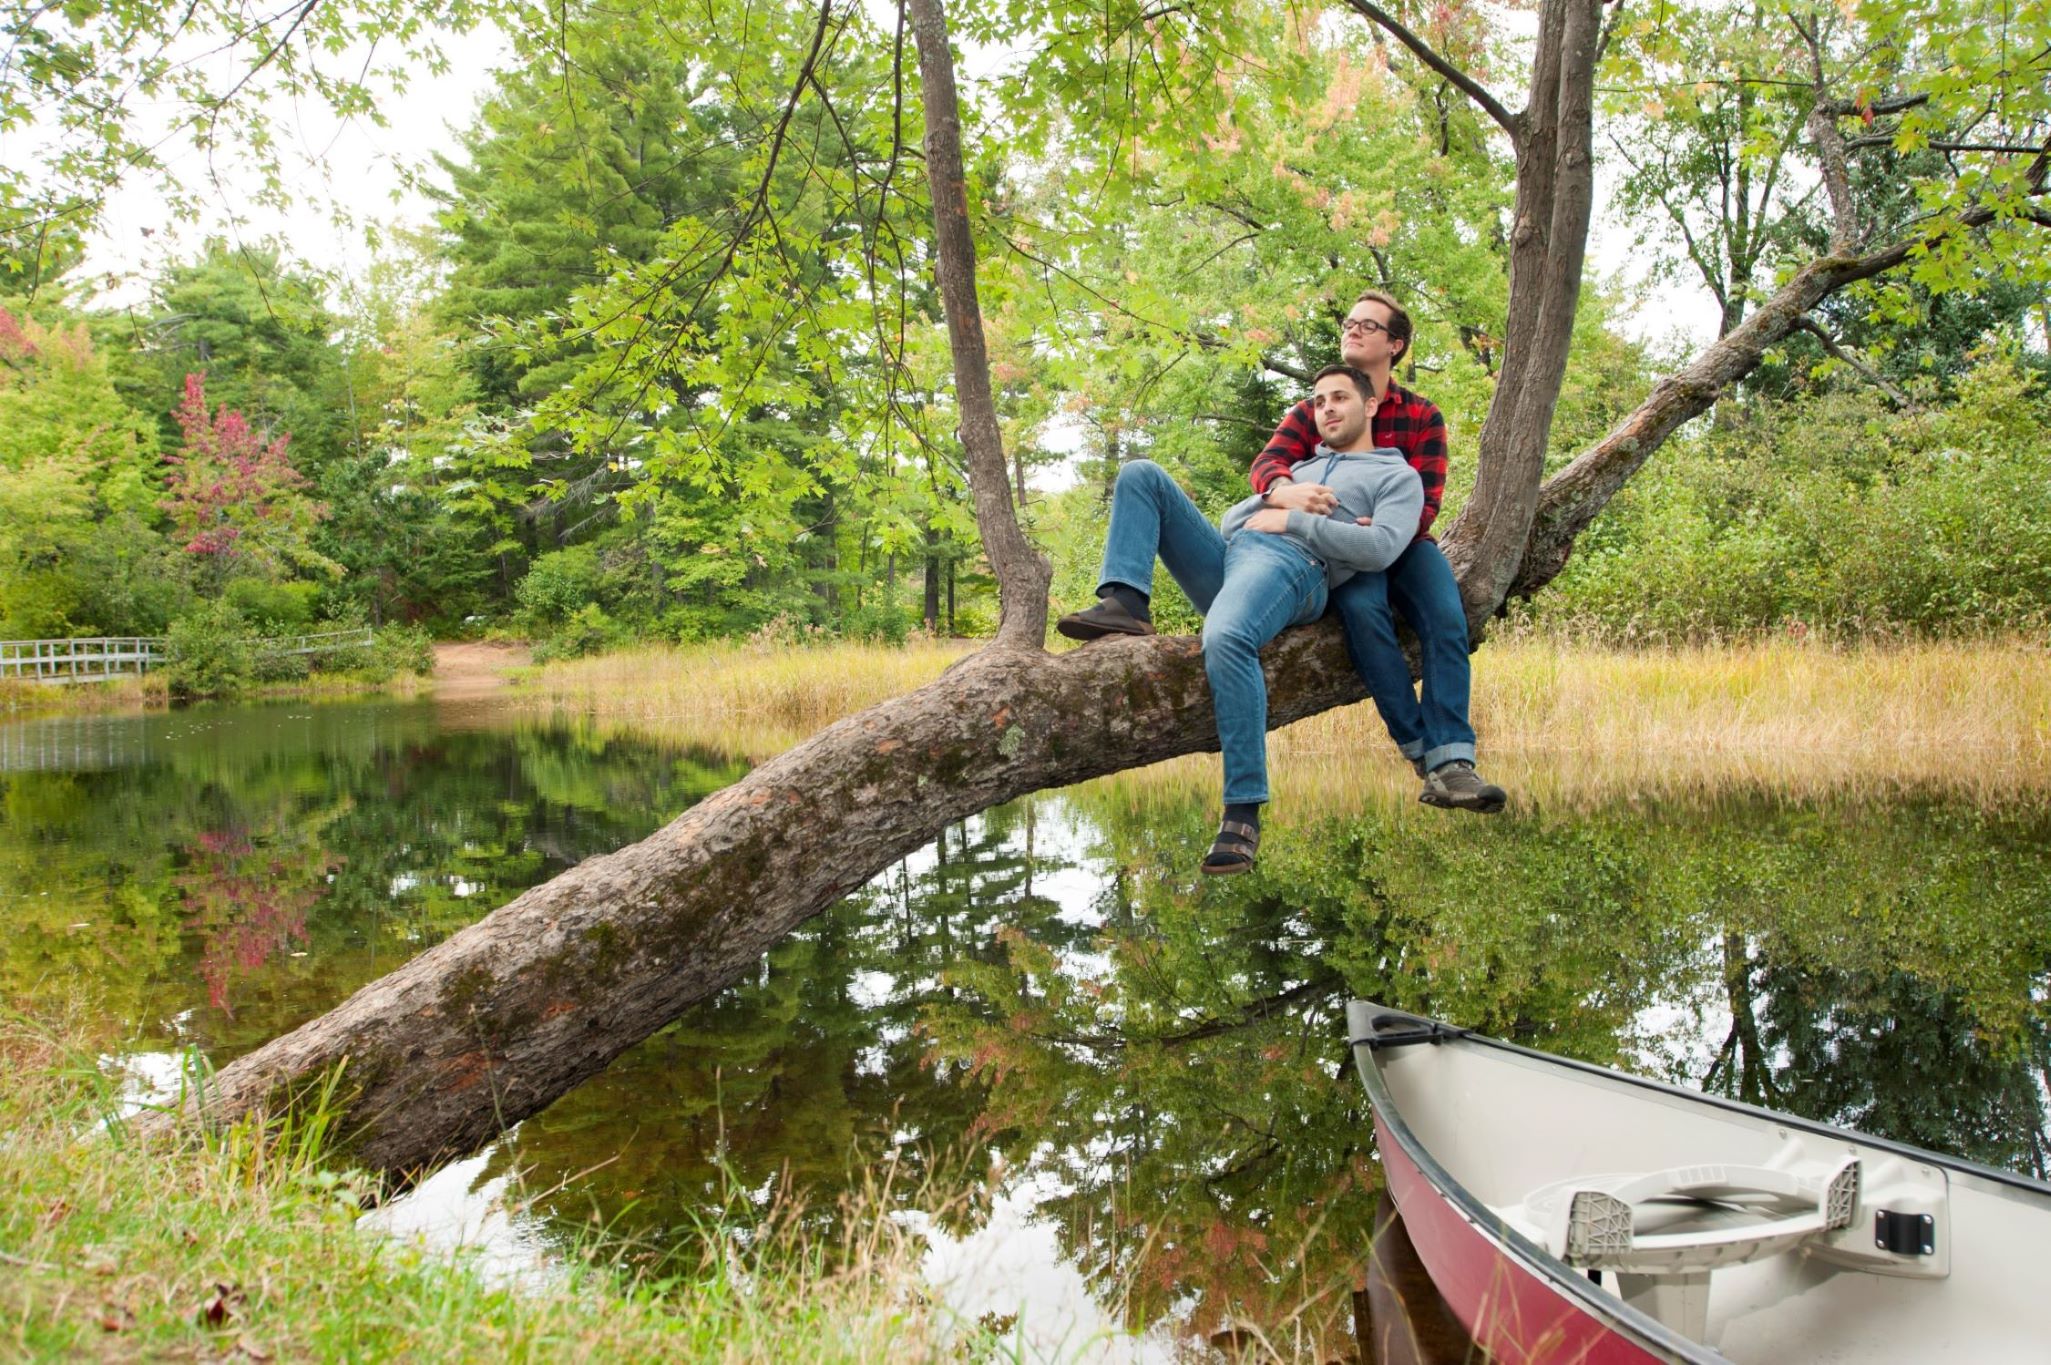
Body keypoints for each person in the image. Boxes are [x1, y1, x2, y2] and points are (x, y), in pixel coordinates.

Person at [1057, 365, 1423, 875]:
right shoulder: (1302, 468)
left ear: (1371, 406)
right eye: (1318, 402)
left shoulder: (1395, 475)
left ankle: (1243, 809)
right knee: (1142, 475)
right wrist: (1276, 495)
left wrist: (1295, 520)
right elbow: (1234, 522)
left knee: (1226, 635)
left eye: (1339, 398)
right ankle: (1126, 601)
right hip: (1235, 556)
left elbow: (1382, 547)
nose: (1327, 409)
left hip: (1296, 569)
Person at [1250, 291, 1507, 814]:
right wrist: (1285, 491)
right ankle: (1421, 751)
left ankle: (1454, 760)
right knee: (1364, 613)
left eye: (1367, 325)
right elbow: (1268, 466)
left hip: (1406, 544)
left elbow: (1427, 499)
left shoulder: (1422, 415)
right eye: (1349, 323)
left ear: (1395, 345)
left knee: (1446, 617)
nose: (1353, 331)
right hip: (1340, 548)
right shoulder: (1315, 409)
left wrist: (1386, 529)